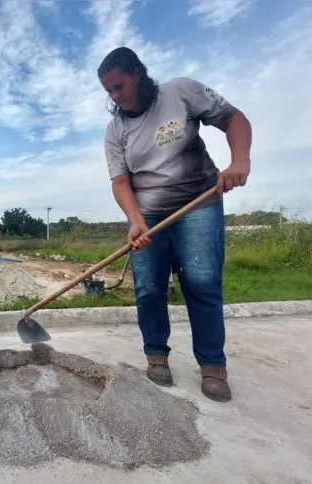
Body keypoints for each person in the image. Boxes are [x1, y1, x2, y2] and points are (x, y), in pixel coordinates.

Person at [98, 47, 252, 402]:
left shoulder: (180, 92)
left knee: (201, 282)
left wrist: (239, 160)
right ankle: (156, 356)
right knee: (149, 287)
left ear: (137, 73)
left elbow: (234, 120)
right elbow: (120, 181)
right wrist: (135, 221)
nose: (115, 97)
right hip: (149, 213)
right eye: (108, 91)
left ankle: (213, 365)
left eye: (119, 86)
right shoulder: (115, 129)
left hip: (198, 203)